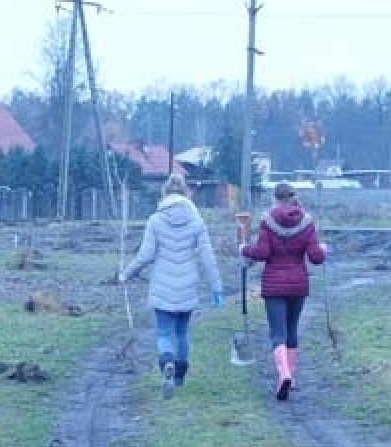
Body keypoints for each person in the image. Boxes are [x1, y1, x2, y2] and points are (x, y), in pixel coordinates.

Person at [119, 172, 224, 398]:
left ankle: (166, 361)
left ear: (164, 194)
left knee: (164, 332)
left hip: (162, 285)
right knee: (182, 332)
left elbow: (146, 254)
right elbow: (208, 257)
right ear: (186, 194)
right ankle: (179, 375)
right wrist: (217, 287)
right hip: (187, 284)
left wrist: (127, 274)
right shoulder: (197, 221)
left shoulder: (155, 220)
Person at [241, 182, 327, 401]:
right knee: (292, 331)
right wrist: (323, 249)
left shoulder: (267, 221)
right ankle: (291, 376)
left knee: (277, 333)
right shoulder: (307, 222)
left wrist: (244, 248)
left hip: (274, 285)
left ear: (275, 199)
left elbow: (261, 252)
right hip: (298, 284)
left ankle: (284, 373)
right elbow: (316, 258)